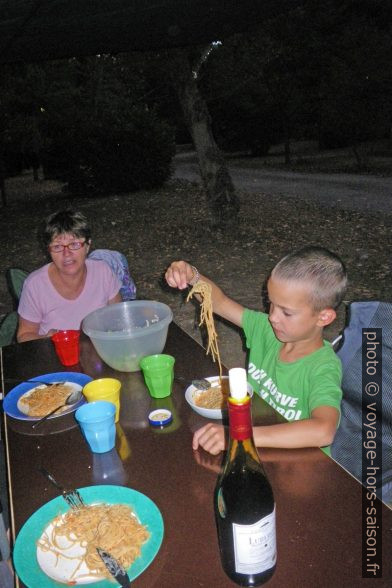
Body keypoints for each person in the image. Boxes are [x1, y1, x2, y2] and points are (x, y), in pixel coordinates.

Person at [165, 246, 347, 456]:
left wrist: (239, 434)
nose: (272, 317)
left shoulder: (323, 366)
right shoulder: (266, 331)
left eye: (286, 312)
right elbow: (220, 303)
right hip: (257, 443)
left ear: (323, 317)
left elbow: (323, 430)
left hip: (300, 464)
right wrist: (192, 276)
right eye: (271, 304)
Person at [17, 209, 122, 342]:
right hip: (56, 356)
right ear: (48, 251)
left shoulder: (103, 272)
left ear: (88, 245)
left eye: (74, 244)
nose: (66, 254)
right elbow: (24, 335)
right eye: (57, 247)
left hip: (99, 352)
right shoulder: (35, 285)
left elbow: (119, 319)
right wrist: (46, 340)